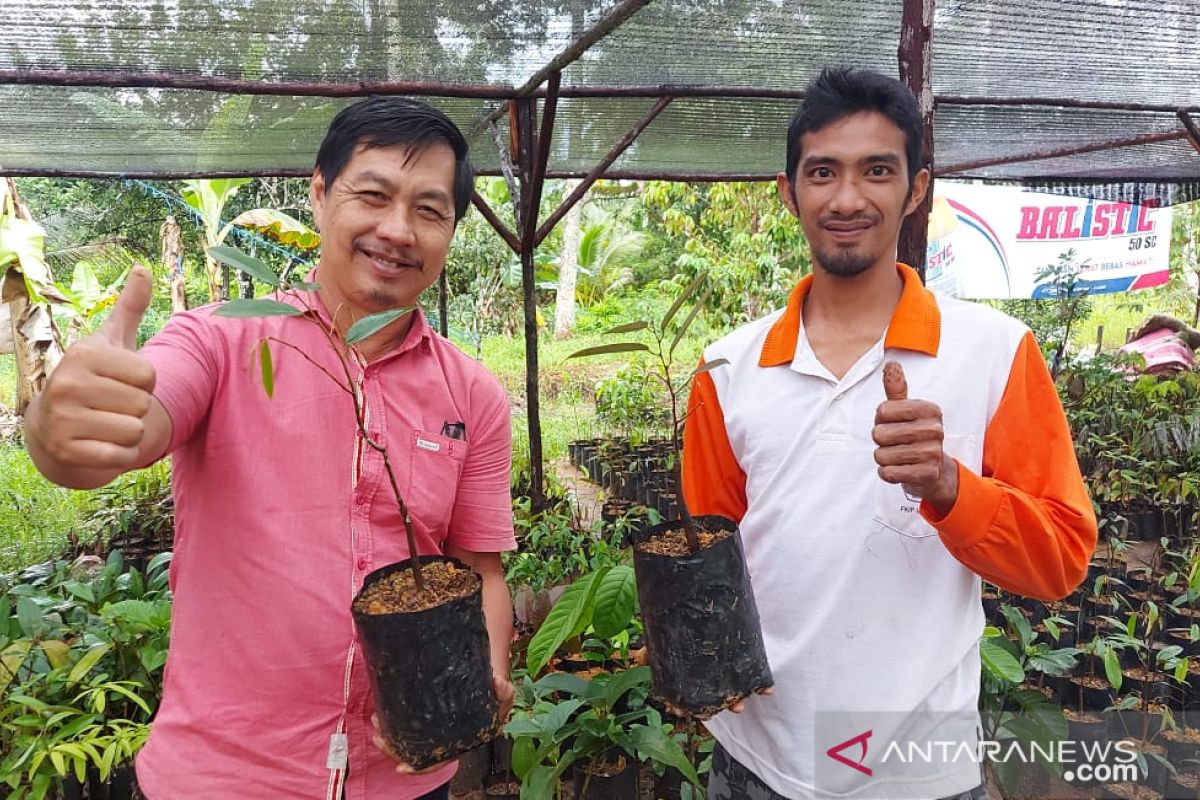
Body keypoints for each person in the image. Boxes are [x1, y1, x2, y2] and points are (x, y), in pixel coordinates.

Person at [25, 98, 516, 800]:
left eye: (430, 211)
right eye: (372, 195)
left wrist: (488, 674)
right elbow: (132, 423)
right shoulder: (222, 341)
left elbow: (479, 566)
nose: (397, 230)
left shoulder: (472, 394)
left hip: (406, 779)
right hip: (220, 780)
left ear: (451, 231)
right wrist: (60, 430)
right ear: (319, 196)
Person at [681, 68, 1097, 800]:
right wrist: (705, 662)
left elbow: (1061, 558)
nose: (847, 199)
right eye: (822, 172)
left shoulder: (995, 352)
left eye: (877, 171)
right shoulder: (727, 369)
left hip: (916, 767)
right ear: (789, 193)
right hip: (756, 755)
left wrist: (949, 486)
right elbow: (710, 556)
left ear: (915, 189)